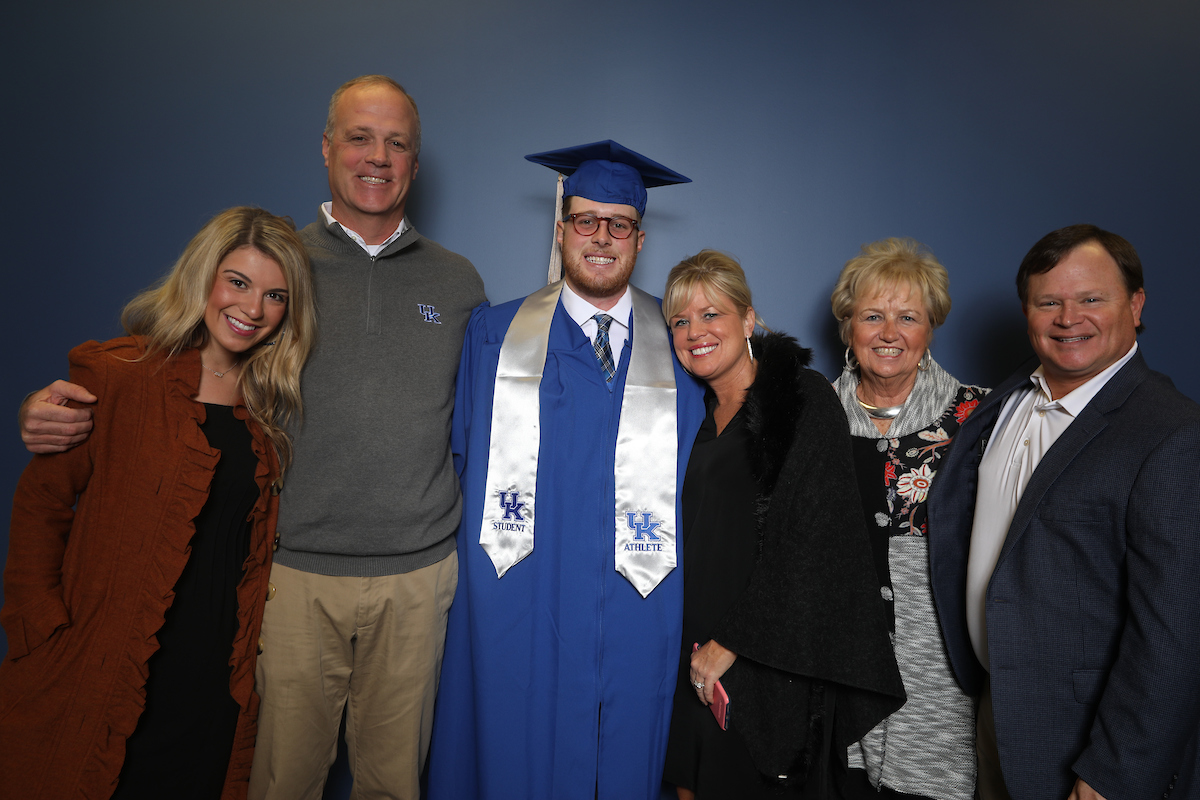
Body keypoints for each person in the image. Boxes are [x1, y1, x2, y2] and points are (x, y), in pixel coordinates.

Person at [16, 75, 486, 800]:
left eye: (397, 144)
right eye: (359, 137)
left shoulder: (458, 283)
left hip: (418, 579)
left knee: (394, 784)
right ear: (327, 149)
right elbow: (174, 369)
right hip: (292, 575)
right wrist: (52, 410)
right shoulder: (280, 267)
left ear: (416, 165)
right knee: (278, 781)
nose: (377, 157)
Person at [0, 207, 316, 799]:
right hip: (112, 653)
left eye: (275, 296)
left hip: (213, 674)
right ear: (204, 277)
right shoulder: (120, 372)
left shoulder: (271, 405)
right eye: (238, 282)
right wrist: (39, 627)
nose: (252, 309)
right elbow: (40, 504)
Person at [427, 140, 708, 800]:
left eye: (618, 224)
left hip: (638, 601)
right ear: (561, 230)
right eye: (586, 221)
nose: (601, 237)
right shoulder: (493, 337)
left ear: (639, 238)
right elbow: (460, 460)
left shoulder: (683, 349)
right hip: (521, 595)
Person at [927, 224, 1200, 800]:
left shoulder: (1171, 432)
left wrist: (1113, 774)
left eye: (1091, 299)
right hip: (993, 716)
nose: (1068, 317)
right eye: (1048, 301)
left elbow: (1173, 634)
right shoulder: (1004, 402)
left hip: (1084, 745)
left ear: (1137, 304)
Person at [661, 250, 905, 799]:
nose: (695, 332)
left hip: (765, 652)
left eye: (711, 315)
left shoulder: (801, 400)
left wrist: (733, 641)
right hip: (686, 642)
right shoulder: (686, 413)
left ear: (748, 320)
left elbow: (815, 544)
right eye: (680, 320)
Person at [829, 239, 981, 800]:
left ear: (930, 328)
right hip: (836, 674)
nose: (889, 332)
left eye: (908, 317)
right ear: (848, 327)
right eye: (872, 316)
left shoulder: (978, 416)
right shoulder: (811, 417)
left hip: (938, 689)